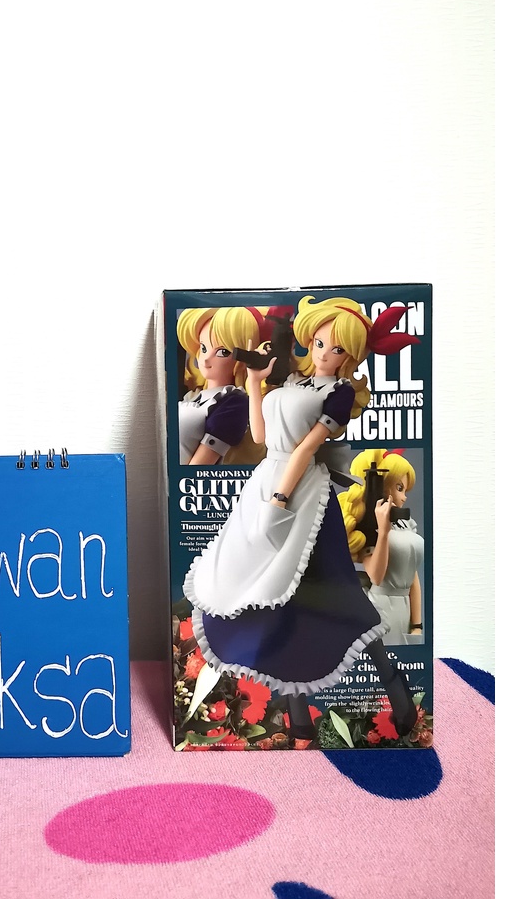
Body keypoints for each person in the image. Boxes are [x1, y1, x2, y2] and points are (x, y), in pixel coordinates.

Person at [184, 295, 420, 738]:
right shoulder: (291, 380)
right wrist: (255, 383)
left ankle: (396, 689)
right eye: (319, 343)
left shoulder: (340, 393)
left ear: (350, 355)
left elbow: (306, 449)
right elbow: (261, 437)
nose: (324, 353)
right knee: (278, 604)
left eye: (337, 348)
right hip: (266, 483)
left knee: (339, 598)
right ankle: (298, 719)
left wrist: (280, 496)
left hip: (305, 497)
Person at [340, 449, 424, 645]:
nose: (404, 497)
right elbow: (376, 577)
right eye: (399, 488)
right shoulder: (368, 524)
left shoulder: (406, 523)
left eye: (405, 490)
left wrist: (417, 625)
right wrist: (383, 532)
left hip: (404, 608)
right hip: (380, 608)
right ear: (382, 487)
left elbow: (412, 575)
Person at [176, 307, 263, 465]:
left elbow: (198, 470)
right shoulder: (193, 395)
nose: (206, 359)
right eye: (203, 348)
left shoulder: (233, 403)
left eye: (222, 352)